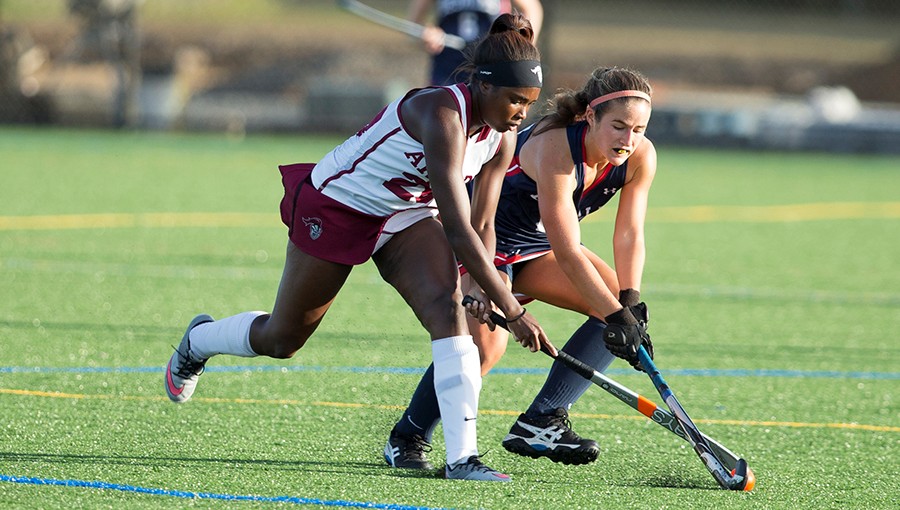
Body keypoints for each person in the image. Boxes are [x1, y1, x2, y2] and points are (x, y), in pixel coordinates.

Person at [164, 13, 554, 483]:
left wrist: (479, 283)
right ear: (483, 86)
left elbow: (483, 221)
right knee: (283, 339)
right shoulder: (441, 113)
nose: (521, 113)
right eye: (515, 100)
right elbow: (456, 226)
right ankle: (197, 342)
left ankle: (462, 458)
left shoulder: (504, 138)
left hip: (407, 215)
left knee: (450, 311)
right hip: (339, 205)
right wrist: (513, 308)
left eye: (529, 103)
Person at [384, 66, 655, 469]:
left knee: (614, 300)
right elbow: (567, 249)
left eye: (638, 129)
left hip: (535, 246)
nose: (628, 140)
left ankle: (541, 420)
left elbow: (630, 232)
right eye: (618, 126)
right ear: (589, 116)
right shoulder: (555, 149)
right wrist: (618, 316)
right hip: (482, 240)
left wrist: (628, 302)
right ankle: (407, 436)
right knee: (483, 349)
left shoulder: (640, 157)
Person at [409, 0, 543, 86]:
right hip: (447, 68)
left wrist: (520, 46)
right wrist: (426, 34)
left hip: (490, 65)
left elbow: (533, 9)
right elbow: (413, 27)